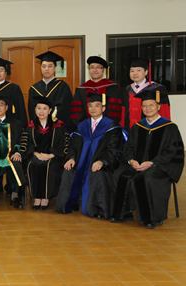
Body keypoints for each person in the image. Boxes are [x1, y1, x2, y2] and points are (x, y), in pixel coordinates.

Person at [110, 90, 184, 229]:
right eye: (144, 105)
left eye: (151, 105)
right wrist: (131, 160)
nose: (148, 108)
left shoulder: (170, 128)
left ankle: (150, 217)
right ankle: (122, 213)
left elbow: (172, 152)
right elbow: (129, 148)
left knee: (147, 178)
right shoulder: (138, 127)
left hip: (159, 165)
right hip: (137, 163)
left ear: (159, 106)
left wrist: (151, 162)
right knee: (118, 175)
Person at [55, 93, 126, 218]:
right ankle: (71, 203)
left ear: (103, 108)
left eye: (97, 106)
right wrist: (71, 158)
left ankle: (97, 209)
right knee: (68, 170)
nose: (93, 108)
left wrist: (102, 161)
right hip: (80, 162)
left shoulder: (112, 127)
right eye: (90, 106)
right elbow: (73, 146)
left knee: (98, 173)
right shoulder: (82, 126)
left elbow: (114, 149)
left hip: (101, 163)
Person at [19, 96, 68, 211]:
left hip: (54, 156)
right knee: (33, 165)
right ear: (35, 110)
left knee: (48, 166)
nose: (41, 111)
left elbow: (64, 145)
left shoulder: (59, 126)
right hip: (35, 155)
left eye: (44, 108)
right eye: (39, 108)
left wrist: (51, 155)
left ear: (50, 110)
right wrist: (35, 153)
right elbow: (25, 145)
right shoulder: (30, 126)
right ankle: (36, 197)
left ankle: (45, 198)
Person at [28, 51, 74, 130]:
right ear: (40, 68)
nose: (46, 69)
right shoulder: (34, 88)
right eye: (44, 66)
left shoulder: (62, 86)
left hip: (57, 128)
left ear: (55, 68)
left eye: (50, 66)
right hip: (38, 128)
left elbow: (64, 109)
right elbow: (32, 110)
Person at [120, 57, 171, 129]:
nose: (135, 73)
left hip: (151, 130)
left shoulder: (157, 89)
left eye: (138, 70)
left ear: (146, 72)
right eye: (132, 71)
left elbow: (164, 110)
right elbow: (123, 113)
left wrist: (163, 129)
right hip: (129, 131)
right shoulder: (125, 90)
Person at [71, 56, 122, 125]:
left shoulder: (113, 88)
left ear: (104, 70)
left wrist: (106, 126)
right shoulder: (81, 89)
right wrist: (85, 126)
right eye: (92, 67)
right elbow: (76, 112)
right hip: (85, 129)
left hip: (107, 128)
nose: (94, 70)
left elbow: (115, 111)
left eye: (98, 67)